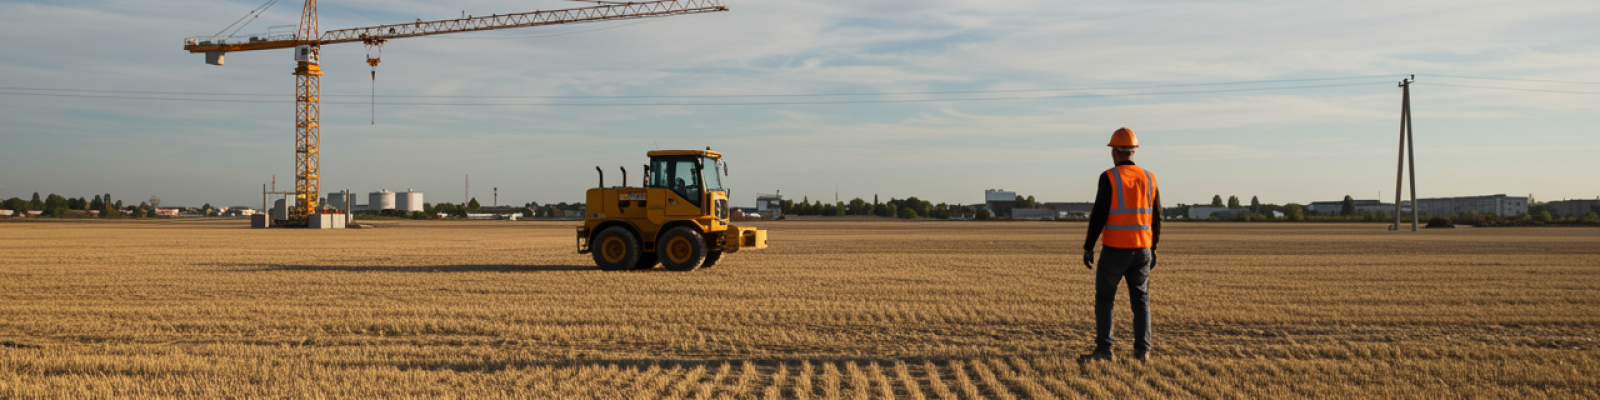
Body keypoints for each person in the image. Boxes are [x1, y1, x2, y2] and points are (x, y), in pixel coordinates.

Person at [1081, 127, 1161, 361]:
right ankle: (1142, 352)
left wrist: (1089, 245)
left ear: (1114, 152)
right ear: (1133, 151)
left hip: (1116, 249)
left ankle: (1104, 350)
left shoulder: (1109, 177)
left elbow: (1099, 214)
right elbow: (1156, 216)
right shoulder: (1149, 177)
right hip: (1143, 250)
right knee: (1141, 301)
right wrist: (1153, 247)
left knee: (1105, 300)